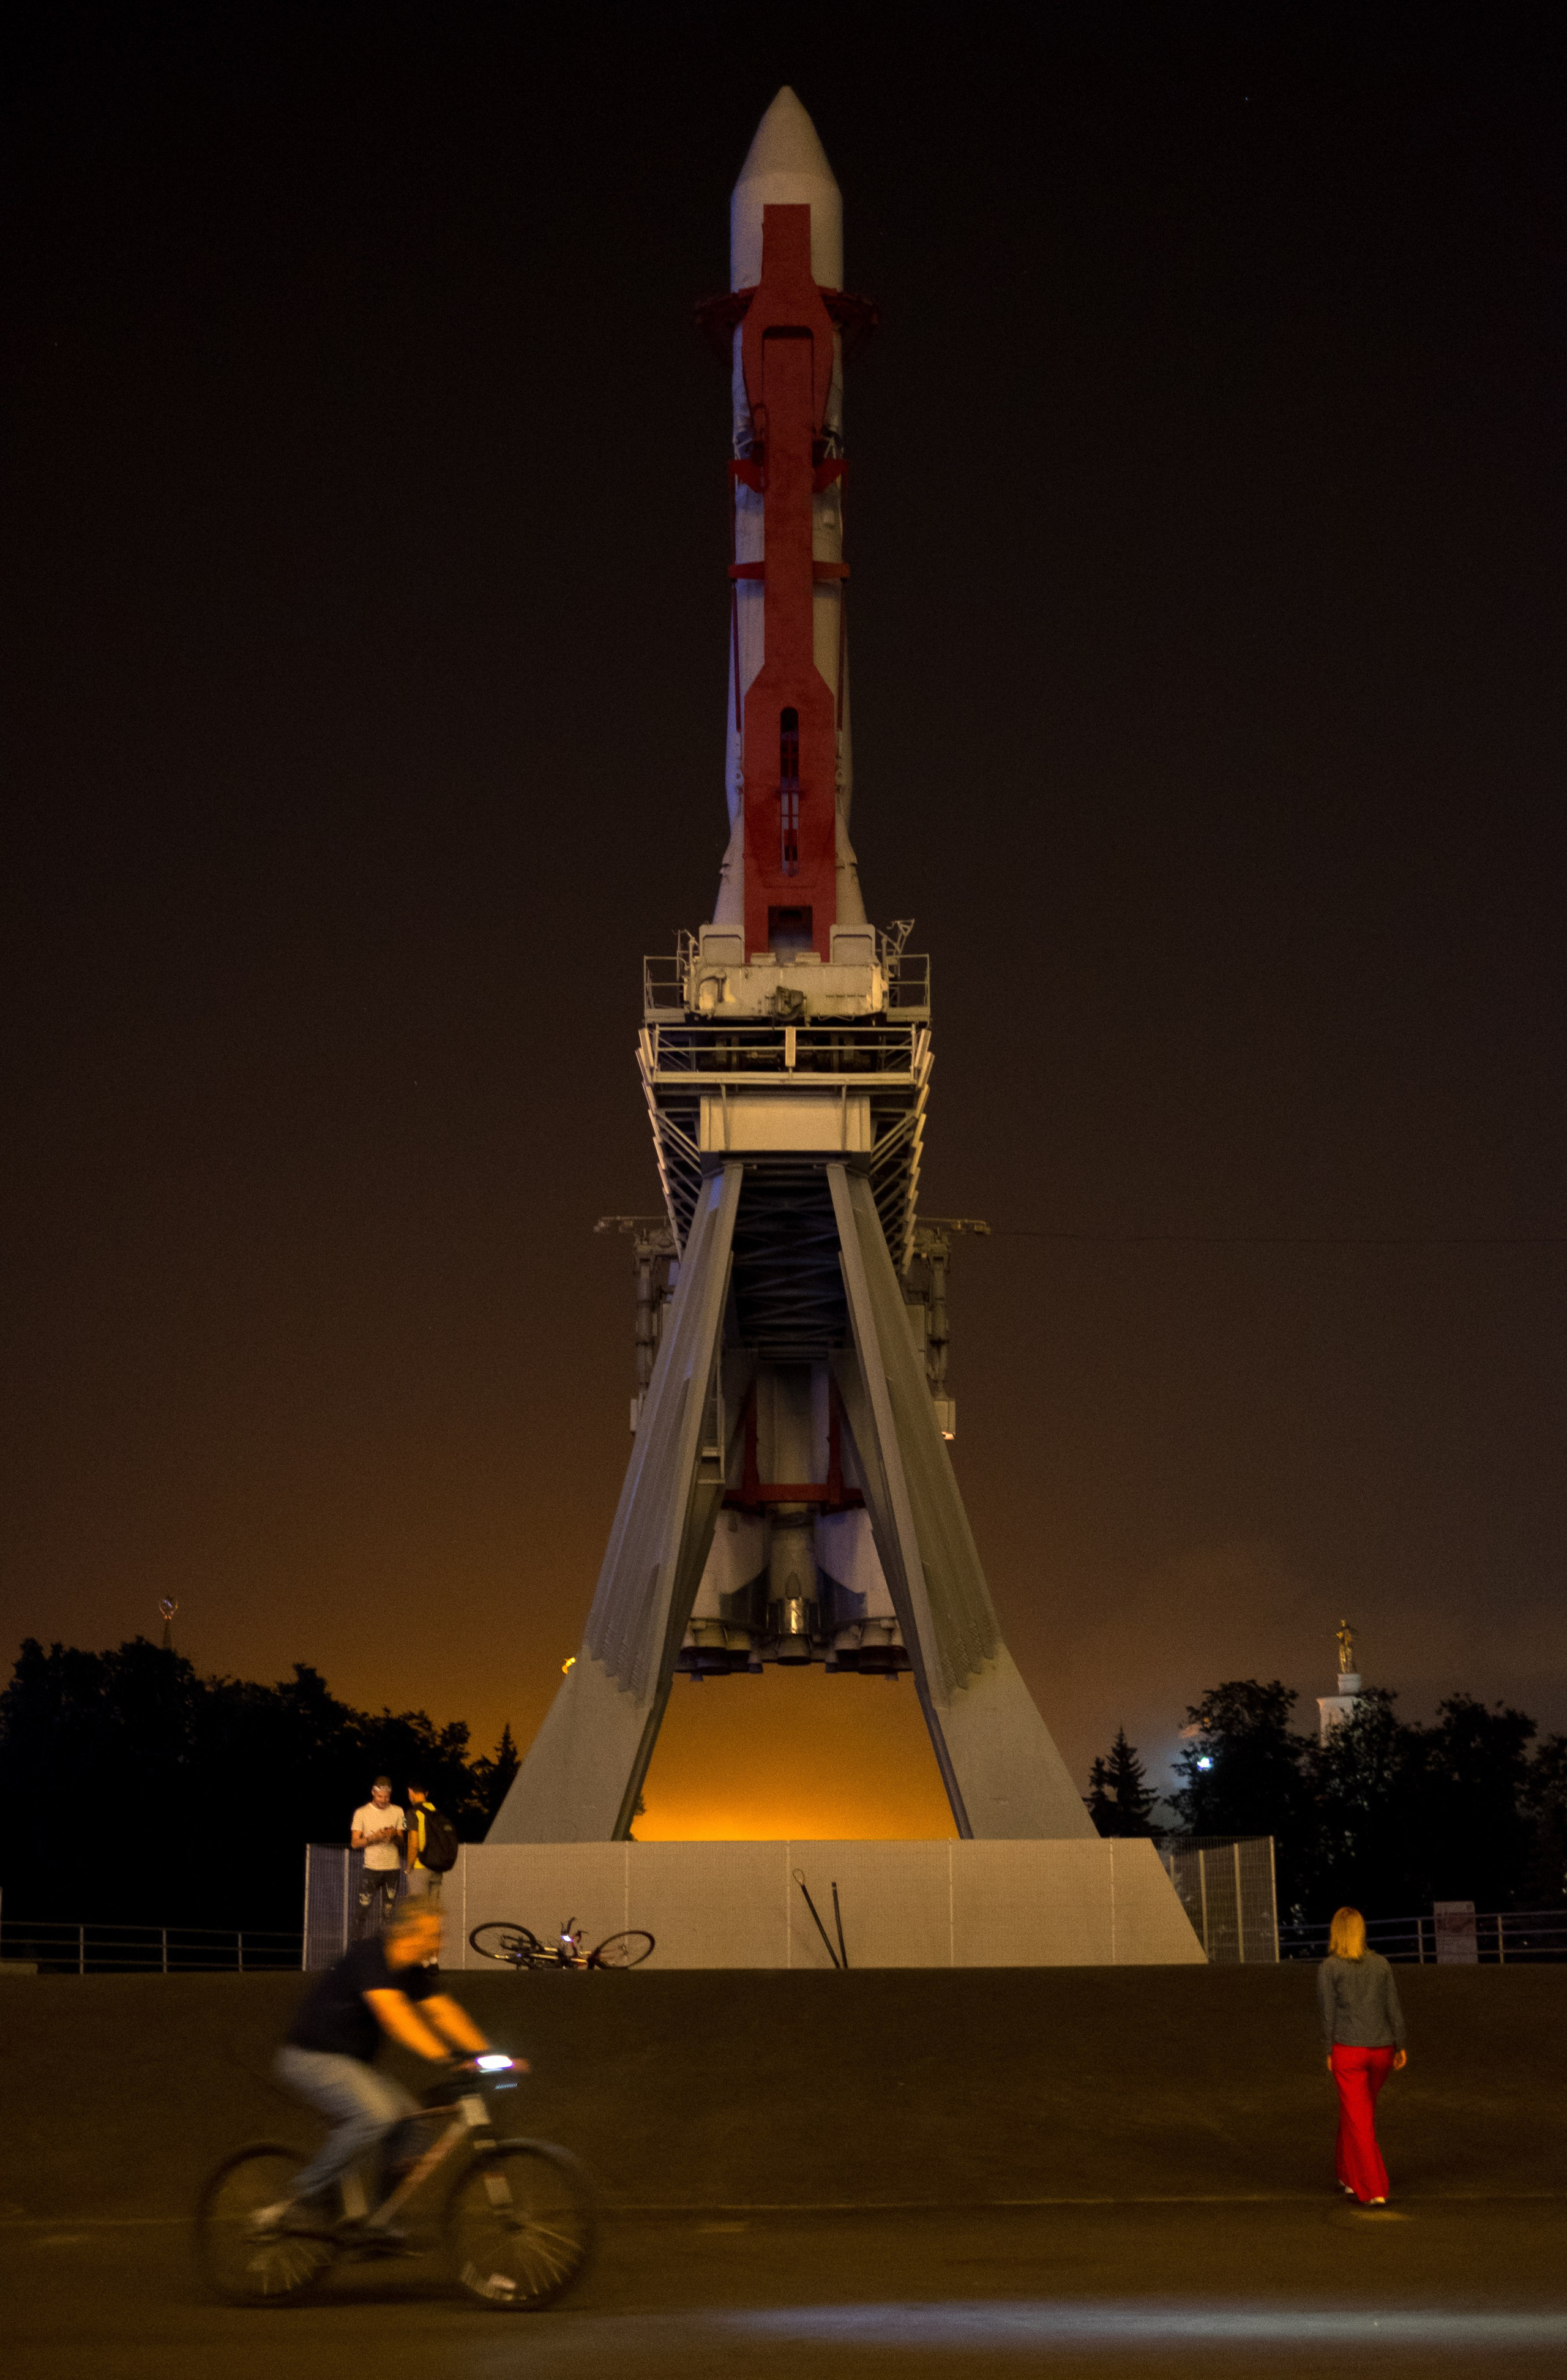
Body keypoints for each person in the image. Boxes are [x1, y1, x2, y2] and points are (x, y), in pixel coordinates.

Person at [261, 1898, 525, 2229]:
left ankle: (378, 2220)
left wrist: (487, 2056)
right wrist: (447, 2058)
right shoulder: (371, 1957)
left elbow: (444, 2012)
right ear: (409, 1934)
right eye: (436, 1934)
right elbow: (394, 2015)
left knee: (411, 2126)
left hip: (352, 2065)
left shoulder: (411, 1972)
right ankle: (305, 2198)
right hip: (309, 2058)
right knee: (378, 2114)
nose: (440, 1942)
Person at [1319, 1904, 1408, 2205]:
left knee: (1360, 2120)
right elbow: (1393, 2007)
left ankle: (1373, 2189)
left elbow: (1327, 2015)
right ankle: (1347, 2174)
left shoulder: (1329, 1968)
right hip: (1382, 2051)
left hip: (1349, 2052)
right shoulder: (1381, 1964)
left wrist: (1327, 2050)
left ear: (1336, 1932)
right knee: (1357, 2113)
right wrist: (1400, 2045)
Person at [351, 1775, 405, 1935]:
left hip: (392, 1868)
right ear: (373, 1793)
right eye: (380, 1796)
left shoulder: (398, 1811)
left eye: (387, 1797)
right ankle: (357, 1944)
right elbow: (354, 1843)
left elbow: (402, 1841)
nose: (383, 1800)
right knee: (363, 1908)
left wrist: (393, 1834)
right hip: (371, 1868)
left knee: (389, 1911)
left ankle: (383, 1947)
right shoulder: (361, 1813)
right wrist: (374, 1838)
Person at [404, 1781, 444, 1901]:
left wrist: (409, 1867)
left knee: (419, 1909)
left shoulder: (413, 1813)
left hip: (420, 1867)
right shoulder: (435, 1810)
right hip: (437, 1868)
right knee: (432, 1910)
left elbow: (414, 1843)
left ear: (410, 1792)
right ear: (426, 1793)